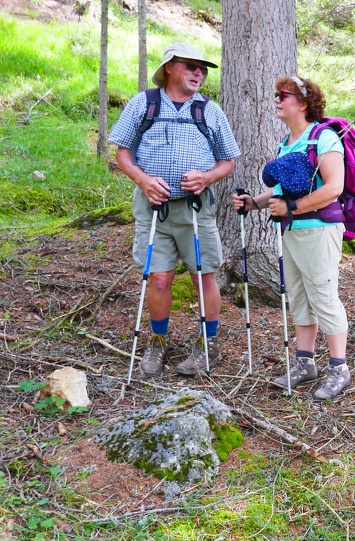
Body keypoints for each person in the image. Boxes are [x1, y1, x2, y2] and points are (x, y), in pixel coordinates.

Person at [109, 42, 240, 377]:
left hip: (196, 209)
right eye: (190, 66)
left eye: (203, 68)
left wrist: (207, 177)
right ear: (170, 67)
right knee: (160, 277)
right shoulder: (143, 104)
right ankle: (157, 340)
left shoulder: (209, 110)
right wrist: (144, 181)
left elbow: (228, 160)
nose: (199, 73)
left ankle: (207, 343)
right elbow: (121, 152)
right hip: (153, 208)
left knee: (203, 275)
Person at [232, 76, 351, 401]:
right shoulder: (287, 141)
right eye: (276, 95)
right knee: (298, 297)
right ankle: (304, 364)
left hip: (319, 230)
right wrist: (253, 202)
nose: (276, 100)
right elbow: (281, 191)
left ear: (302, 102)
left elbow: (333, 188)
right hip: (290, 231)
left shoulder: (323, 138)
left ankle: (339, 369)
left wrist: (292, 206)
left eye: (282, 95)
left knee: (323, 296)